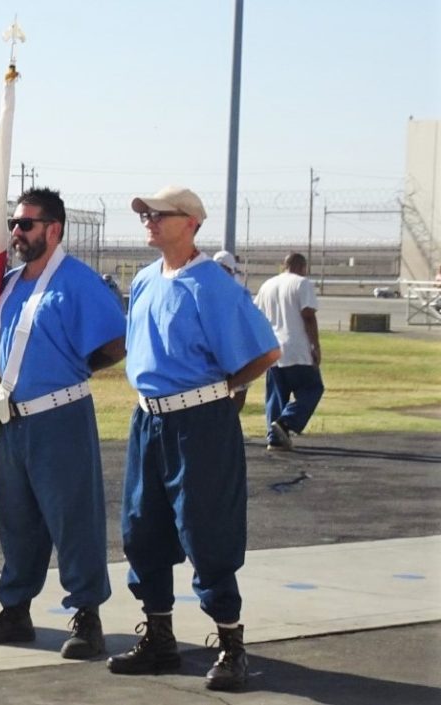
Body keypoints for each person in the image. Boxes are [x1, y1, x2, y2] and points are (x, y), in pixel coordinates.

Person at [108, 186, 280, 692]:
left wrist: (225, 387)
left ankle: (230, 644)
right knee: (143, 528)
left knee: (207, 532)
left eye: (160, 215)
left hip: (200, 423)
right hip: (149, 421)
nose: (150, 221)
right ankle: (159, 638)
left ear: (192, 223)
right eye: (146, 214)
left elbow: (264, 352)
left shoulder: (212, 285)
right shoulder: (142, 282)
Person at [0, 187, 126, 660]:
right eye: (13, 224)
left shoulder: (76, 280)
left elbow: (116, 343)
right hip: (11, 423)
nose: (16, 232)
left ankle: (86, 615)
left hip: (60, 416)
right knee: (18, 523)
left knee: (73, 519)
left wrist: (70, 370)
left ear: (53, 230)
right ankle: (15, 610)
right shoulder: (9, 284)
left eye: (26, 224)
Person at [254, 253, 325, 451]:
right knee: (312, 388)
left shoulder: (268, 285)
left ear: (283, 266)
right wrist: (315, 345)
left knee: (277, 394)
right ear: (302, 267)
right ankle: (286, 422)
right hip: (297, 346)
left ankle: (275, 438)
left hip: (273, 347)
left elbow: (256, 316)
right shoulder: (302, 283)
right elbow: (308, 315)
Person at [212, 250, 251, 412]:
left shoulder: (204, 284)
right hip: (233, 349)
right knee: (237, 391)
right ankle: (225, 427)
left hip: (221, 348)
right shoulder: (236, 289)